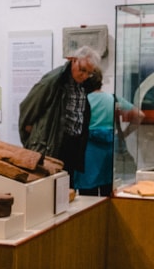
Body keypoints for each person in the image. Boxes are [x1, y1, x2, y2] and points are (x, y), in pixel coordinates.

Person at [17, 45, 102, 173]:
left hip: (72, 147)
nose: (84, 75)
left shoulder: (84, 85)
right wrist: (33, 140)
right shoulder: (54, 81)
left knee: (67, 188)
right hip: (52, 146)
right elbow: (27, 109)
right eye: (82, 70)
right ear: (74, 60)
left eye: (89, 73)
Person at [72, 68, 142, 196]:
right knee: (108, 196)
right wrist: (124, 134)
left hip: (88, 154)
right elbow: (139, 115)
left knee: (88, 199)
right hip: (109, 154)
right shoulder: (113, 99)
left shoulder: (82, 101)